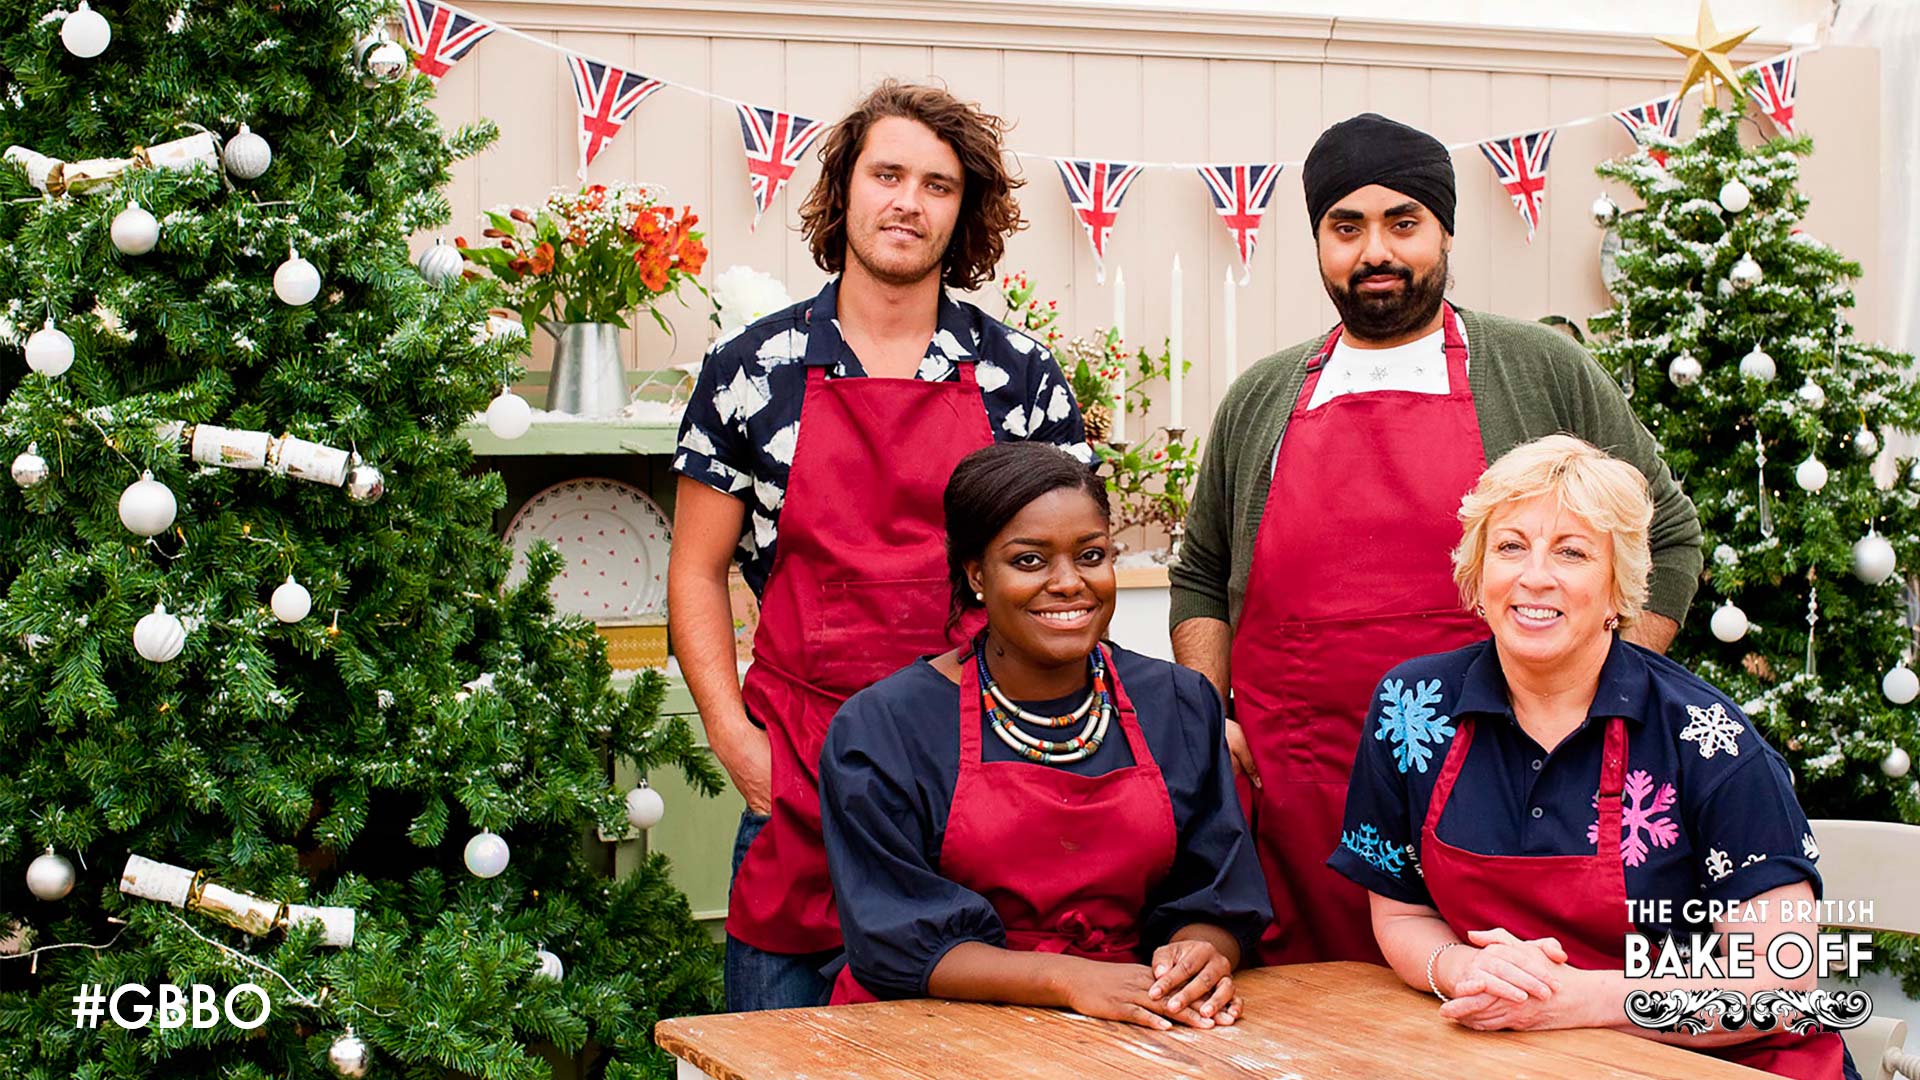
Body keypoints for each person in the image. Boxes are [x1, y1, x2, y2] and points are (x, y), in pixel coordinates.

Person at [1170, 112, 1703, 966]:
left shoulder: (1539, 367)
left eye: (1402, 222)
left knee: (1502, 1007)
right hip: (1298, 789)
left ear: (1445, 231)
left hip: (1500, 778)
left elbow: (1669, 538)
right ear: (1318, 241)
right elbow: (1200, 572)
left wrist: (1600, 693)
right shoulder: (1261, 397)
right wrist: (1205, 714)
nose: (1374, 251)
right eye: (1346, 228)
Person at [669, 81, 1088, 1012]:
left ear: (963, 212)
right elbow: (694, 569)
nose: (909, 201)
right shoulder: (753, 370)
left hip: (976, 777)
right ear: (844, 190)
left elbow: (1062, 583)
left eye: (938, 185)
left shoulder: (1019, 379)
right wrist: (734, 740)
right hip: (801, 779)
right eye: (887, 173)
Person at [1329, 435, 1851, 1080]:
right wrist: (1463, 968)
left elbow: (1781, 984)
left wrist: (1582, 999)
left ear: (1617, 589)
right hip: (1524, 1058)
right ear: (1477, 572)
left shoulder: (1705, 736)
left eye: (1572, 552)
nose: (1535, 576)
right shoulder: (1412, 708)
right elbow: (1404, 912)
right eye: (1511, 546)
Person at [818, 442, 1270, 1029]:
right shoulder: (884, 729)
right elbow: (893, 938)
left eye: (1091, 555)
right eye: (1029, 561)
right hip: (930, 1029)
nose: (1068, 583)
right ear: (976, 573)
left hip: (1136, 1016)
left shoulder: (1179, 705)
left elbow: (1217, 890)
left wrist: (1202, 952)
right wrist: (1070, 979)